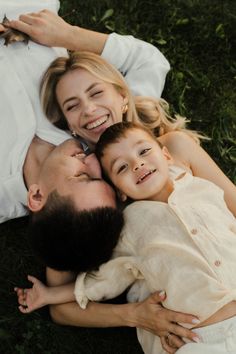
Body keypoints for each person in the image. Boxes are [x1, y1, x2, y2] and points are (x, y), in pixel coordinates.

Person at [1, 2, 200, 352]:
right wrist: (68, 35)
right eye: (102, 178)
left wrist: (135, 315)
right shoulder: (96, 131)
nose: (95, 164)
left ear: (36, 197)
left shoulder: (21, 202)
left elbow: (62, 300)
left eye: (84, 177)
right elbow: (149, 62)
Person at [15, 122, 236, 354]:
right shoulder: (128, 224)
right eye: (121, 168)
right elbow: (105, 280)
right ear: (118, 193)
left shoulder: (196, 185)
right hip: (203, 339)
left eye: (143, 152)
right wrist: (50, 295)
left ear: (166, 155)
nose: (138, 164)